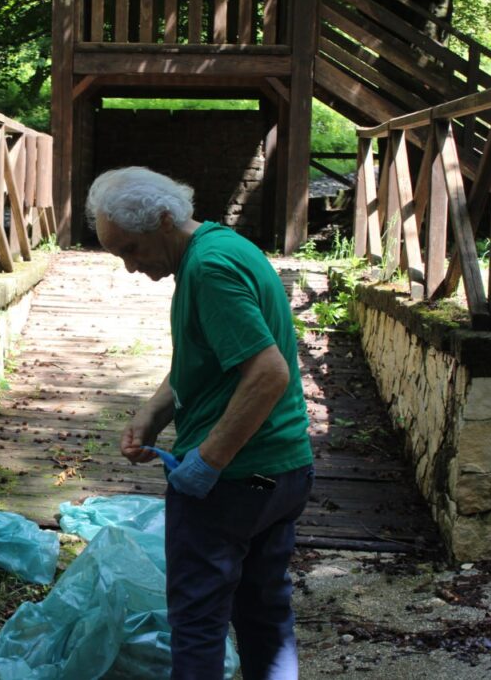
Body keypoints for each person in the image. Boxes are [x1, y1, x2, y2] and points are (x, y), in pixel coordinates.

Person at [85, 167, 314, 680]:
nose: (128, 266)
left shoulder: (208, 270)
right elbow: (212, 359)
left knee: (197, 622)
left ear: (165, 220)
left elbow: (267, 372)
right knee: (264, 612)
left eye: (131, 249)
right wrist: (151, 415)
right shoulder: (224, 246)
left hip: (235, 485)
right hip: (278, 478)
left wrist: (205, 465)